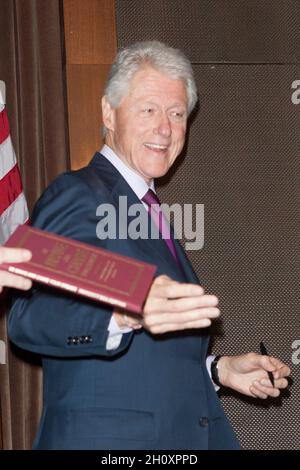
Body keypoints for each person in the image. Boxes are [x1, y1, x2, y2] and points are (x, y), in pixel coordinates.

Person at [8, 41, 290, 450]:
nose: (165, 128)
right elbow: (30, 317)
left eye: (177, 114)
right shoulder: (79, 194)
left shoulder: (146, 211)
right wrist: (123, 307)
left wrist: (217, 371)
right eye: (149, 109)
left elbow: (146, 357)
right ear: (109, 113)